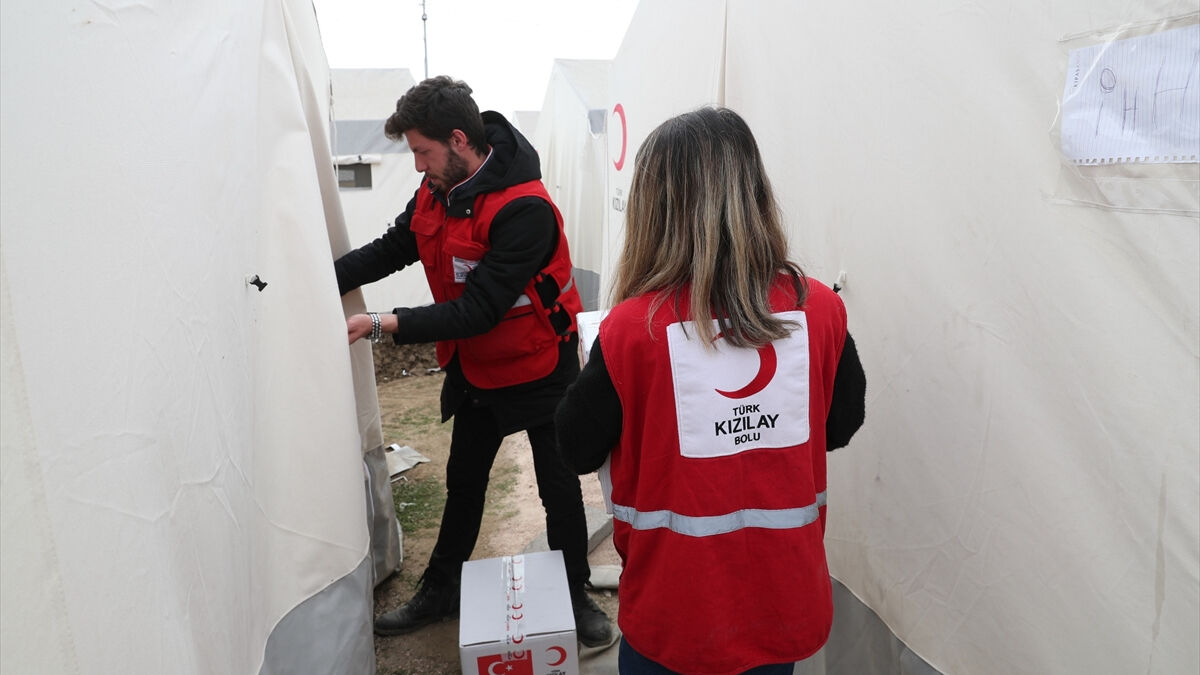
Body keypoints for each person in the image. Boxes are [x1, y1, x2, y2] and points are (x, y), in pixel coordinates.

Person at [555, 107, 867, 675]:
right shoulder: (820, 308)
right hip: (784, 603)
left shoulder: (632, 330)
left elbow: (575, 448)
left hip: (676, 615)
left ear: (656, 209)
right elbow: (841, 425)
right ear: (754, 193)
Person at [335, 75, 613, 647]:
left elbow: (479, 309)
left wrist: (384, 325)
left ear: (459, 140)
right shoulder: (437, 191)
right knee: (463, 481)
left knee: (557, 487)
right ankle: (442, 589)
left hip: (541, 365)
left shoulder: (525, 208)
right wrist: (319, 276)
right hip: (479, 369)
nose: (417, 167)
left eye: (421, 152)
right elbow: (394, 246)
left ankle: (574, 592)